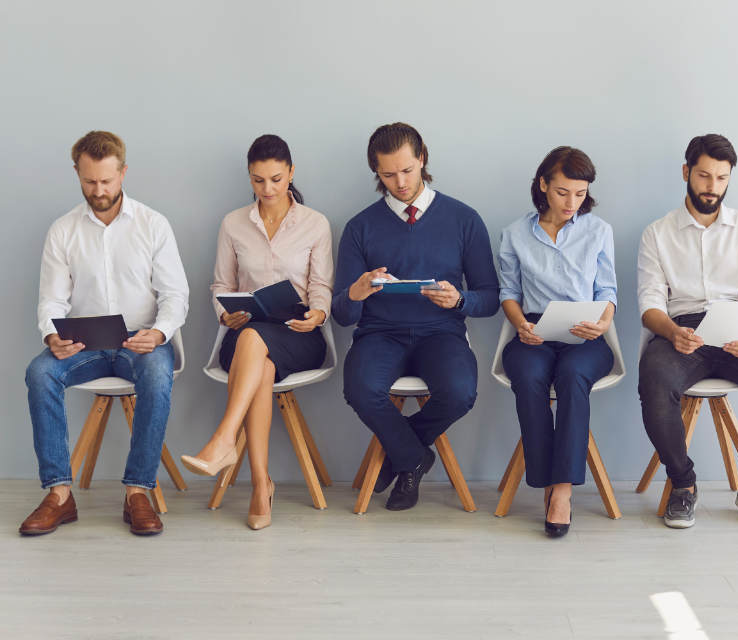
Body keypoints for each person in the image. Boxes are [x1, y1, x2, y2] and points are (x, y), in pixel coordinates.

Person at [21, 131, 189, 536]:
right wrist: (51, 335)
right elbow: (51, 301)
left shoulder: (153, 224)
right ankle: (59, 494)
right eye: (90, 181)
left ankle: (137, 493)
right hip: (85, 342)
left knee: (155, 374)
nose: (99, 190)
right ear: (78, 174)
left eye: (107, 181)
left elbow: (176, 295)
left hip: (140, 340)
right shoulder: (63, 231)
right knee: (39, 373)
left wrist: (160, 333)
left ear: (123, 172)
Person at [333, 122, 500, 511]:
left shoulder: (464, 219)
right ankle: (414, 459)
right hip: (379, 334)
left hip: (441, 333)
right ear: (376, 171)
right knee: (360, 389)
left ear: (422, 158)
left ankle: (400, 455)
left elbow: (490, 298)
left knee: (460, 392)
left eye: (407, 170)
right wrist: (356, 292)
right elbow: (342, 314)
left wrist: (459, 301)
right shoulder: (360, 228)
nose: (400, 182)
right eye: (388, 174)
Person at [638, 134, 738, 529]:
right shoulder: (657, 233)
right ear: (686, 173)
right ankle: (683, 485)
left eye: (721, 178)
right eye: (704, 176)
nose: (712, 187)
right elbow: (650, 304)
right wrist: (673, 331)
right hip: (681, 332)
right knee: (655, 383)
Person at [180, 135, 333, 530]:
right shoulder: (233, 223)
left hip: (298, 332)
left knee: (258, 346)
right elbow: (220, 285)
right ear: (249, 178)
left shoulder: (315, 224)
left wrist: (317, 315)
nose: (268, 189)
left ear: (291, 173)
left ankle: (223, 441)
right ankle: (260, 484)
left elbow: (321, 286)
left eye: (277, 179)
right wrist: (223, 313)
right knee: (257, 356)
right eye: (259, 180)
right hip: (246, 329)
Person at [498, 147, 617, 536]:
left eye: (580, 193)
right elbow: (508, 292)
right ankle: (545, 485)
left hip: (585, 333)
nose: (572, 202)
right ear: (543, 184)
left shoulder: (598, 230)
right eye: (564, 191)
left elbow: (608, 292)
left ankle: (561, 491)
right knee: (530, 378)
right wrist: (519, 324)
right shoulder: (515, 233)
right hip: (533, 330)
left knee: (571, 377)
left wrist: (602, 324)